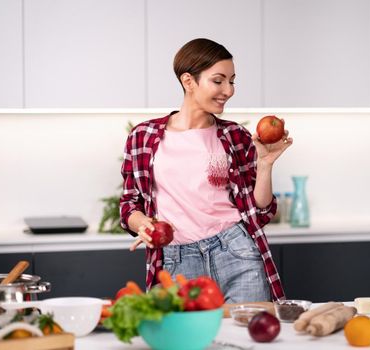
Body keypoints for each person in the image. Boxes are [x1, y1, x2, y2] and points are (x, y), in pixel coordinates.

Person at [119, 38, 293, 302]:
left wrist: (265, 165)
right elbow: (129, 204)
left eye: (232, 81)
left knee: (249, 339)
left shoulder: (235, 136)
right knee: (185, 341)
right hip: (176, 262)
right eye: (218, 80)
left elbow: (261, 210)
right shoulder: (143, 136)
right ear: (188, 81)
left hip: (236, 251)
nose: (229, 90)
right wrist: (143, 223)